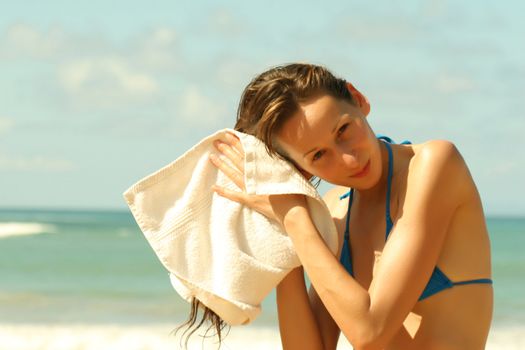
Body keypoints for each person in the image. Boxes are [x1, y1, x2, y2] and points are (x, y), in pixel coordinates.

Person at [208, 63, 493, 349]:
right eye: (319, 155)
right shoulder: (333, 211)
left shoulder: (432, 165)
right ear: (301, 170)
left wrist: (293, 217)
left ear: (358, 99)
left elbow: (370, 333)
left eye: (343, 130)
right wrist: (285, 232)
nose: (349, 160)